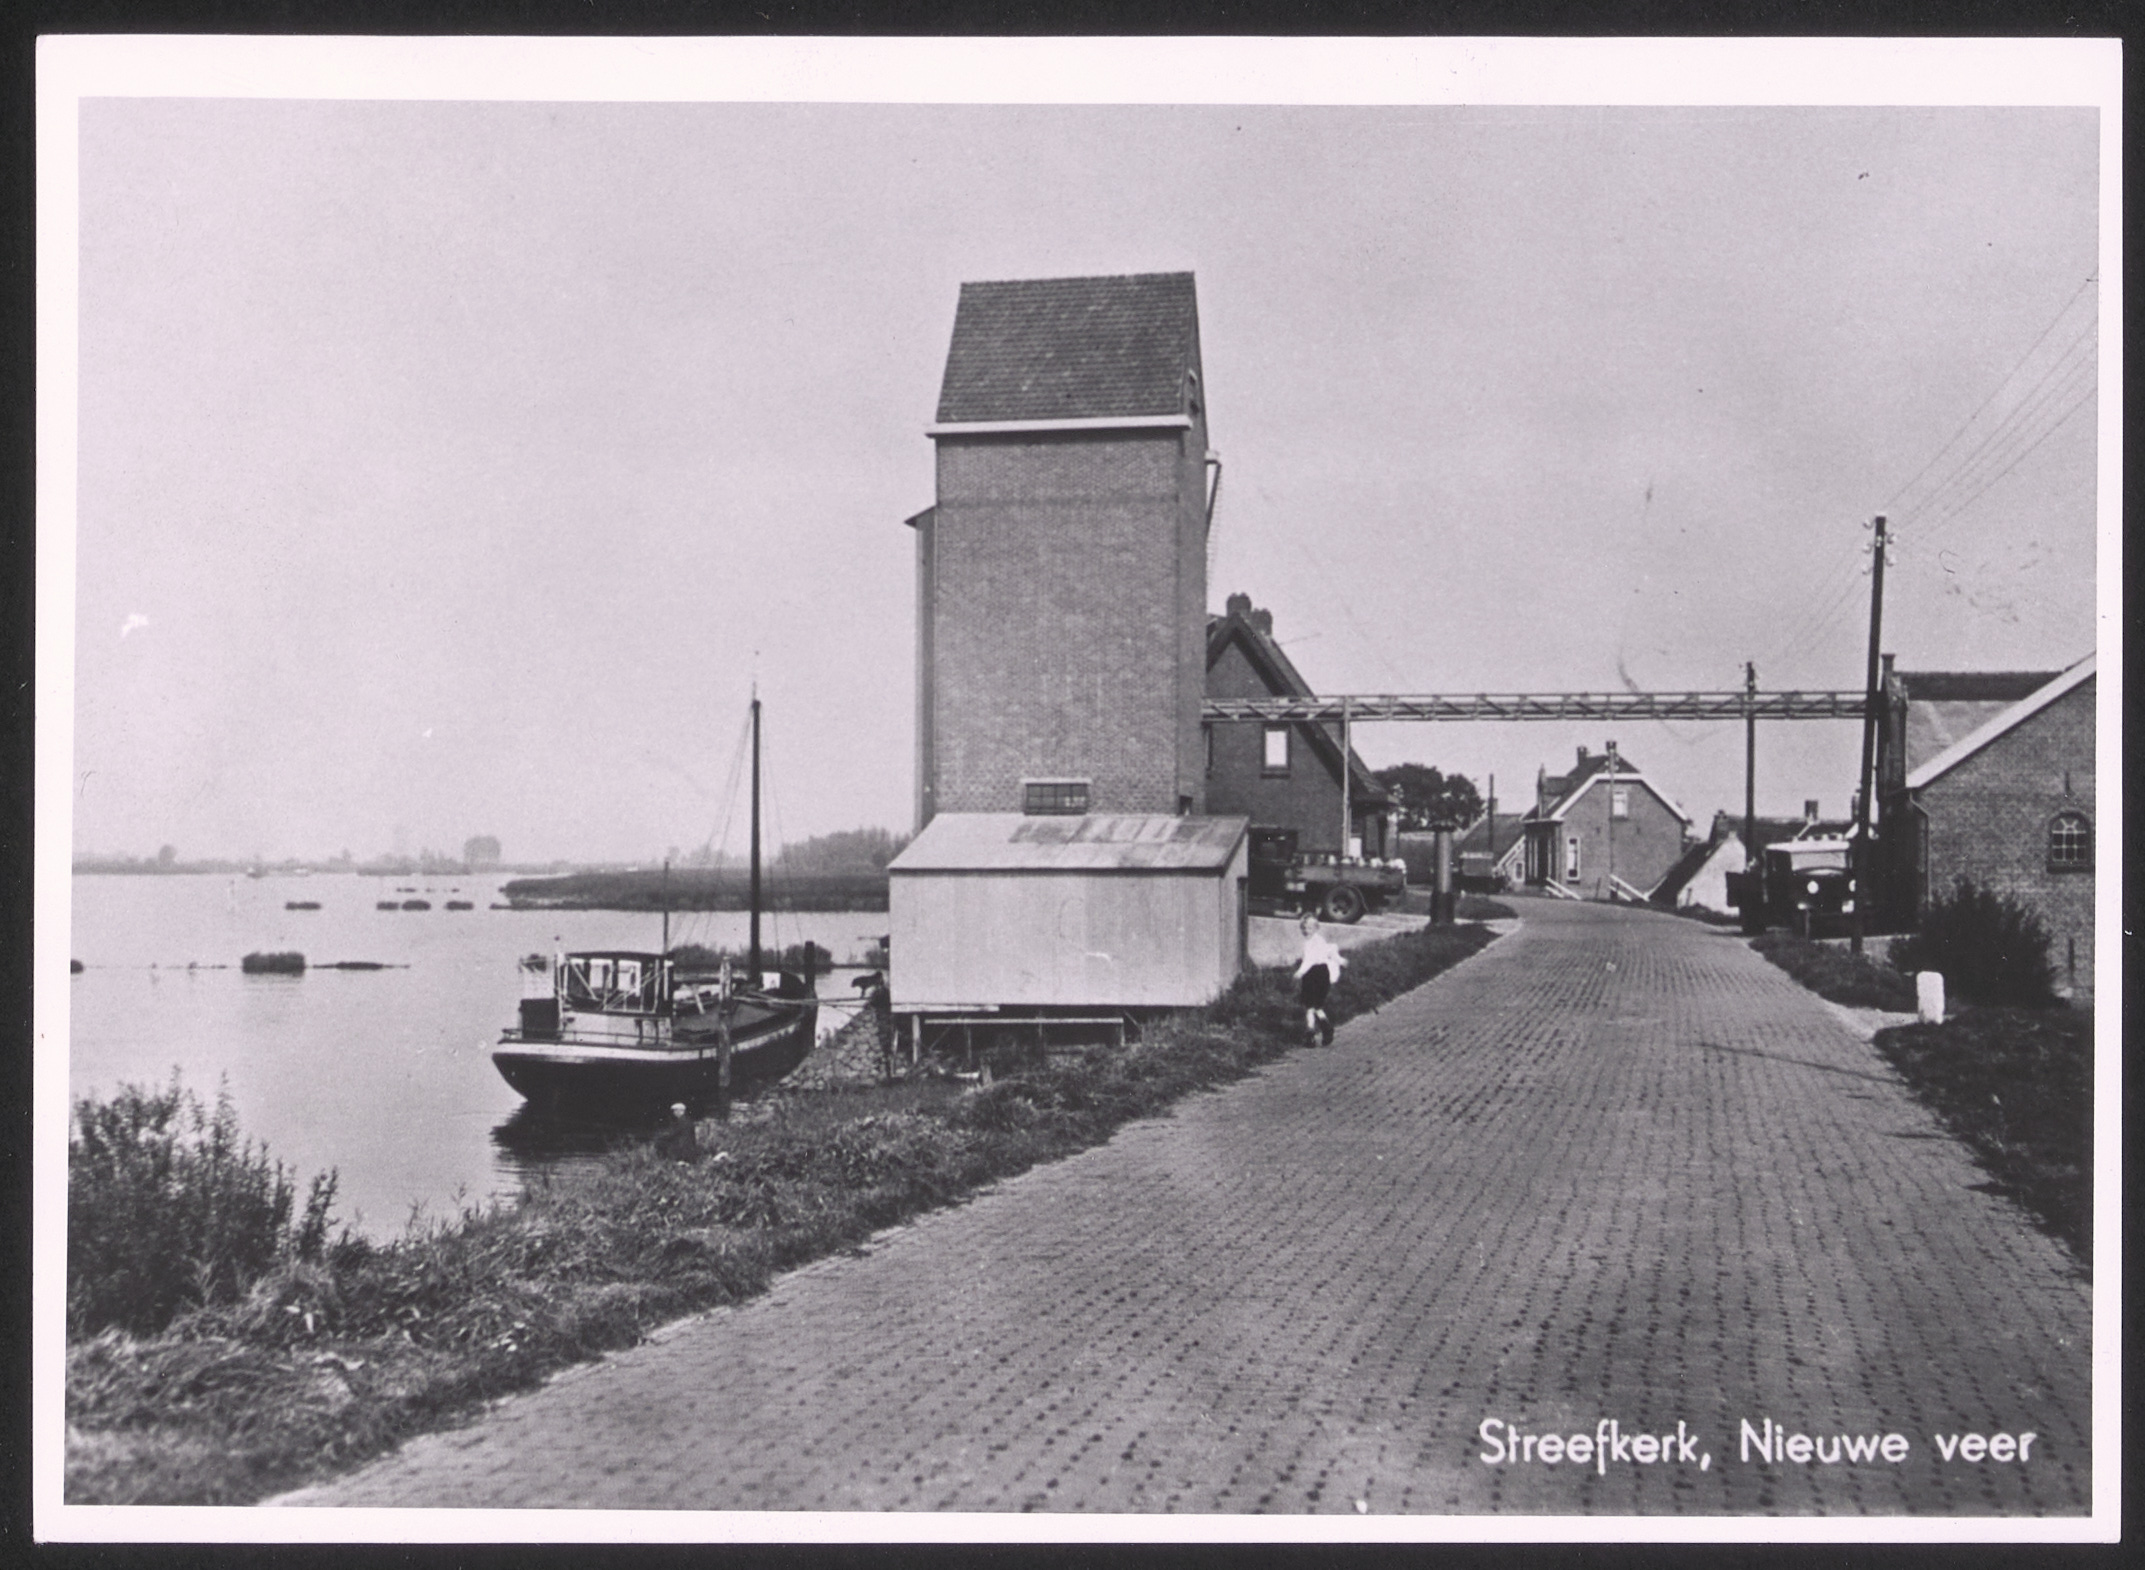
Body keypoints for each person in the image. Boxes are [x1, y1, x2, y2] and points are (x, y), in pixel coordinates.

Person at [1295, 912, 1345, 1046]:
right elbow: (1331, 951)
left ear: (1316, 928)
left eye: (1309, 928)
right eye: (1304, 928)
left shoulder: (1309, 943)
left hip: (1313, 974)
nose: (1306, 931)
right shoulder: (1321, 940)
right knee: (1317, 1006)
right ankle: (1326, 1029)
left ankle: (1311, 1035)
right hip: (1323, 973)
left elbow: (1309, 960)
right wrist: (1340, 961)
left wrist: (1300, 972)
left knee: (1310, 1006)